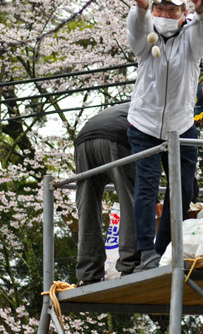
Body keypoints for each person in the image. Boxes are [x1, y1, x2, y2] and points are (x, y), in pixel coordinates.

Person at [119, 0, 203, 271]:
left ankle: (164, 249)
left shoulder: (192, 38)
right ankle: (146, 251)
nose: (165, 12)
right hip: (144, 123)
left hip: (182, 124)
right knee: (146, 186)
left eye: (172, 8)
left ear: (183, 11)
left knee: (184, 190)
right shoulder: (146, 35)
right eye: (159, 6)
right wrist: (139, 7)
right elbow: (135, 30)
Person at [74, 102, 139, 285]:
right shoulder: (165, 110)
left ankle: (89, 272)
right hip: (116, 138)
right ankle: (130, 264)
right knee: (130, 199)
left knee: (87, 204)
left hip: (83, 141)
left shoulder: (132, 105)